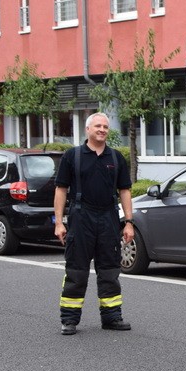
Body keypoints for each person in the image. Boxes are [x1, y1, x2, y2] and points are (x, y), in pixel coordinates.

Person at [53, 112, 134, 336]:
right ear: (88, 129)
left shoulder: (116, 158)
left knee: (109, 271)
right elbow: (61, 190)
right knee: (76, 271)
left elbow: (125, 191)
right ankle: (69, 320)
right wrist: (59, 222)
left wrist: (128, 223)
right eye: (97, 126)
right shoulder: (73, 156)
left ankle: (111, 318)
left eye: (105, 126)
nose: (102, 130)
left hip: (108, 217)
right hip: (81, 217)